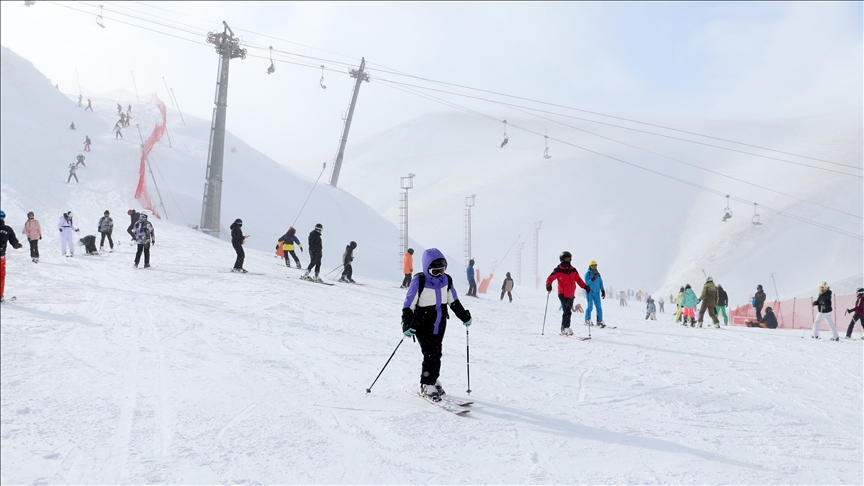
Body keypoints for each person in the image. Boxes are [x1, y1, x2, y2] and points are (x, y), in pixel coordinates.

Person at [401, 248, 472, 402]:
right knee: (430, 353)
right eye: (435, 271)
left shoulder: (447, 280)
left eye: (442, 270)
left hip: (439, 323)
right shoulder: (419, 281)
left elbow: (453, 301)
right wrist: (407, 323)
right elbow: (408, 305)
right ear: (427, 269)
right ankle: (426, 384)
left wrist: (464, 315)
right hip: (422, 323)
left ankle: (433, 379)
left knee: (437, 353)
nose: (439, 274)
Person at [545, 251, 589, 336]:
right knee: (567, 311)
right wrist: (548, 285)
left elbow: (578, 280)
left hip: (571, 294)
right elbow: (550, 278)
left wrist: (585, 286)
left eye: (569, 258)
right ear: (562, 259)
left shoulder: (573, 270)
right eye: (566, 258)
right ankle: (565, 328)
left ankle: (565, 328)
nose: (568, 260)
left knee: (568, 311)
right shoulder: (558, 270)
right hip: (563, 294)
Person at [0, 210, 24, 302]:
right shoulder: (7, 229)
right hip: (1, 256)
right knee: (1, 276)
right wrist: (18, 245)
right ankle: (0, 295)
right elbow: (14, 243)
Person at [583, 260, 606, 327]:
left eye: (595, 265)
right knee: (590, 306)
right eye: (593, 266)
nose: (594, 267)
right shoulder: (588, 273)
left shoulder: (598, 274)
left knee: (599, 307)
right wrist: (592, 279)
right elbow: (586, 283)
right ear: (590, 266)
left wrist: (603, 290)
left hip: (596, 293)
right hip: (590, 292)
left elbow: (600, 282)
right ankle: (587, 319)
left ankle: (599, 320)